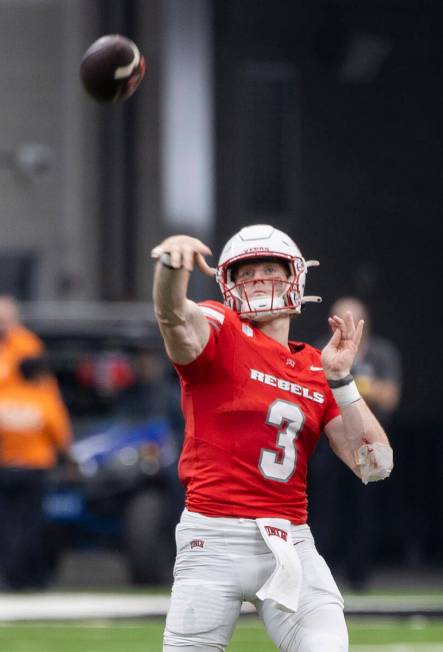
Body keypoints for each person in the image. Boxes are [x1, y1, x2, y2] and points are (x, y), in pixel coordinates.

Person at [151, 224, 394, 652]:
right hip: (213, 536)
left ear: (295, 278)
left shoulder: (319, 367)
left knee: (327, 645)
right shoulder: (221, 328)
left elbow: (374, 464)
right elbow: (173, 316)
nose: (259, 279)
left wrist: (342, 381)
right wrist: (172, 267)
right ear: (228, 283)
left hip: (289, 540)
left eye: (269, 268)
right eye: (246, 272)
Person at [310, 296, 402, 590]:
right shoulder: (320, 349)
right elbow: (312, 390)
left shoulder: (381, 352)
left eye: (350, 317)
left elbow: (390, 395)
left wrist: (348, 381)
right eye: (337, 317)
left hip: (370, 440)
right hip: (330, 440)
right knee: (324, 508)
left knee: (363, 509)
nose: (343, 323)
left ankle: (359, 576)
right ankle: (320, 573)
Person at [0, 355, 72, 589]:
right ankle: (25, 578)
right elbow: (61, 437)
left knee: (2, 525)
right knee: (30, 526)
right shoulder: (43, 399)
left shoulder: (1, 398)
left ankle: (0, 574)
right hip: (34, 469)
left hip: (3, 469)